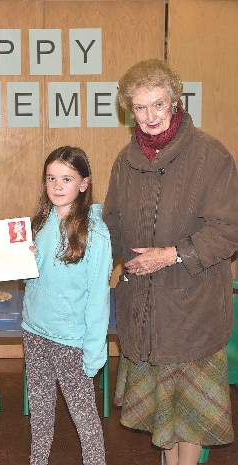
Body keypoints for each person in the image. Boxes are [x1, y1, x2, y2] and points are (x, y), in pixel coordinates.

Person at [104, 59, 238, 465]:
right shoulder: (125, 162)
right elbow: (111, 227)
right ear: (129, 109)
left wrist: (172, 254)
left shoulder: (210, 155)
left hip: (191, 312)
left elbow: (229, 229)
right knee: (164, 417)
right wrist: (69, 252)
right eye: (140, 108)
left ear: (175, 102)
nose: (149, 117)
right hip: (142, 312)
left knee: (190, 420)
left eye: (158, 105)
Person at [22, 146, 112, 465]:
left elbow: (98, 297)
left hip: (71, 342)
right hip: (35, 333)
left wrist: (94, 351)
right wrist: (21, 258)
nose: (57, 186)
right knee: (41, 416)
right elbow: (32, 279)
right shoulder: (38, 224)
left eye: (66, 179)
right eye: (51, 178)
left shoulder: (96, 234)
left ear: (83, 184)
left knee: (85, 422)